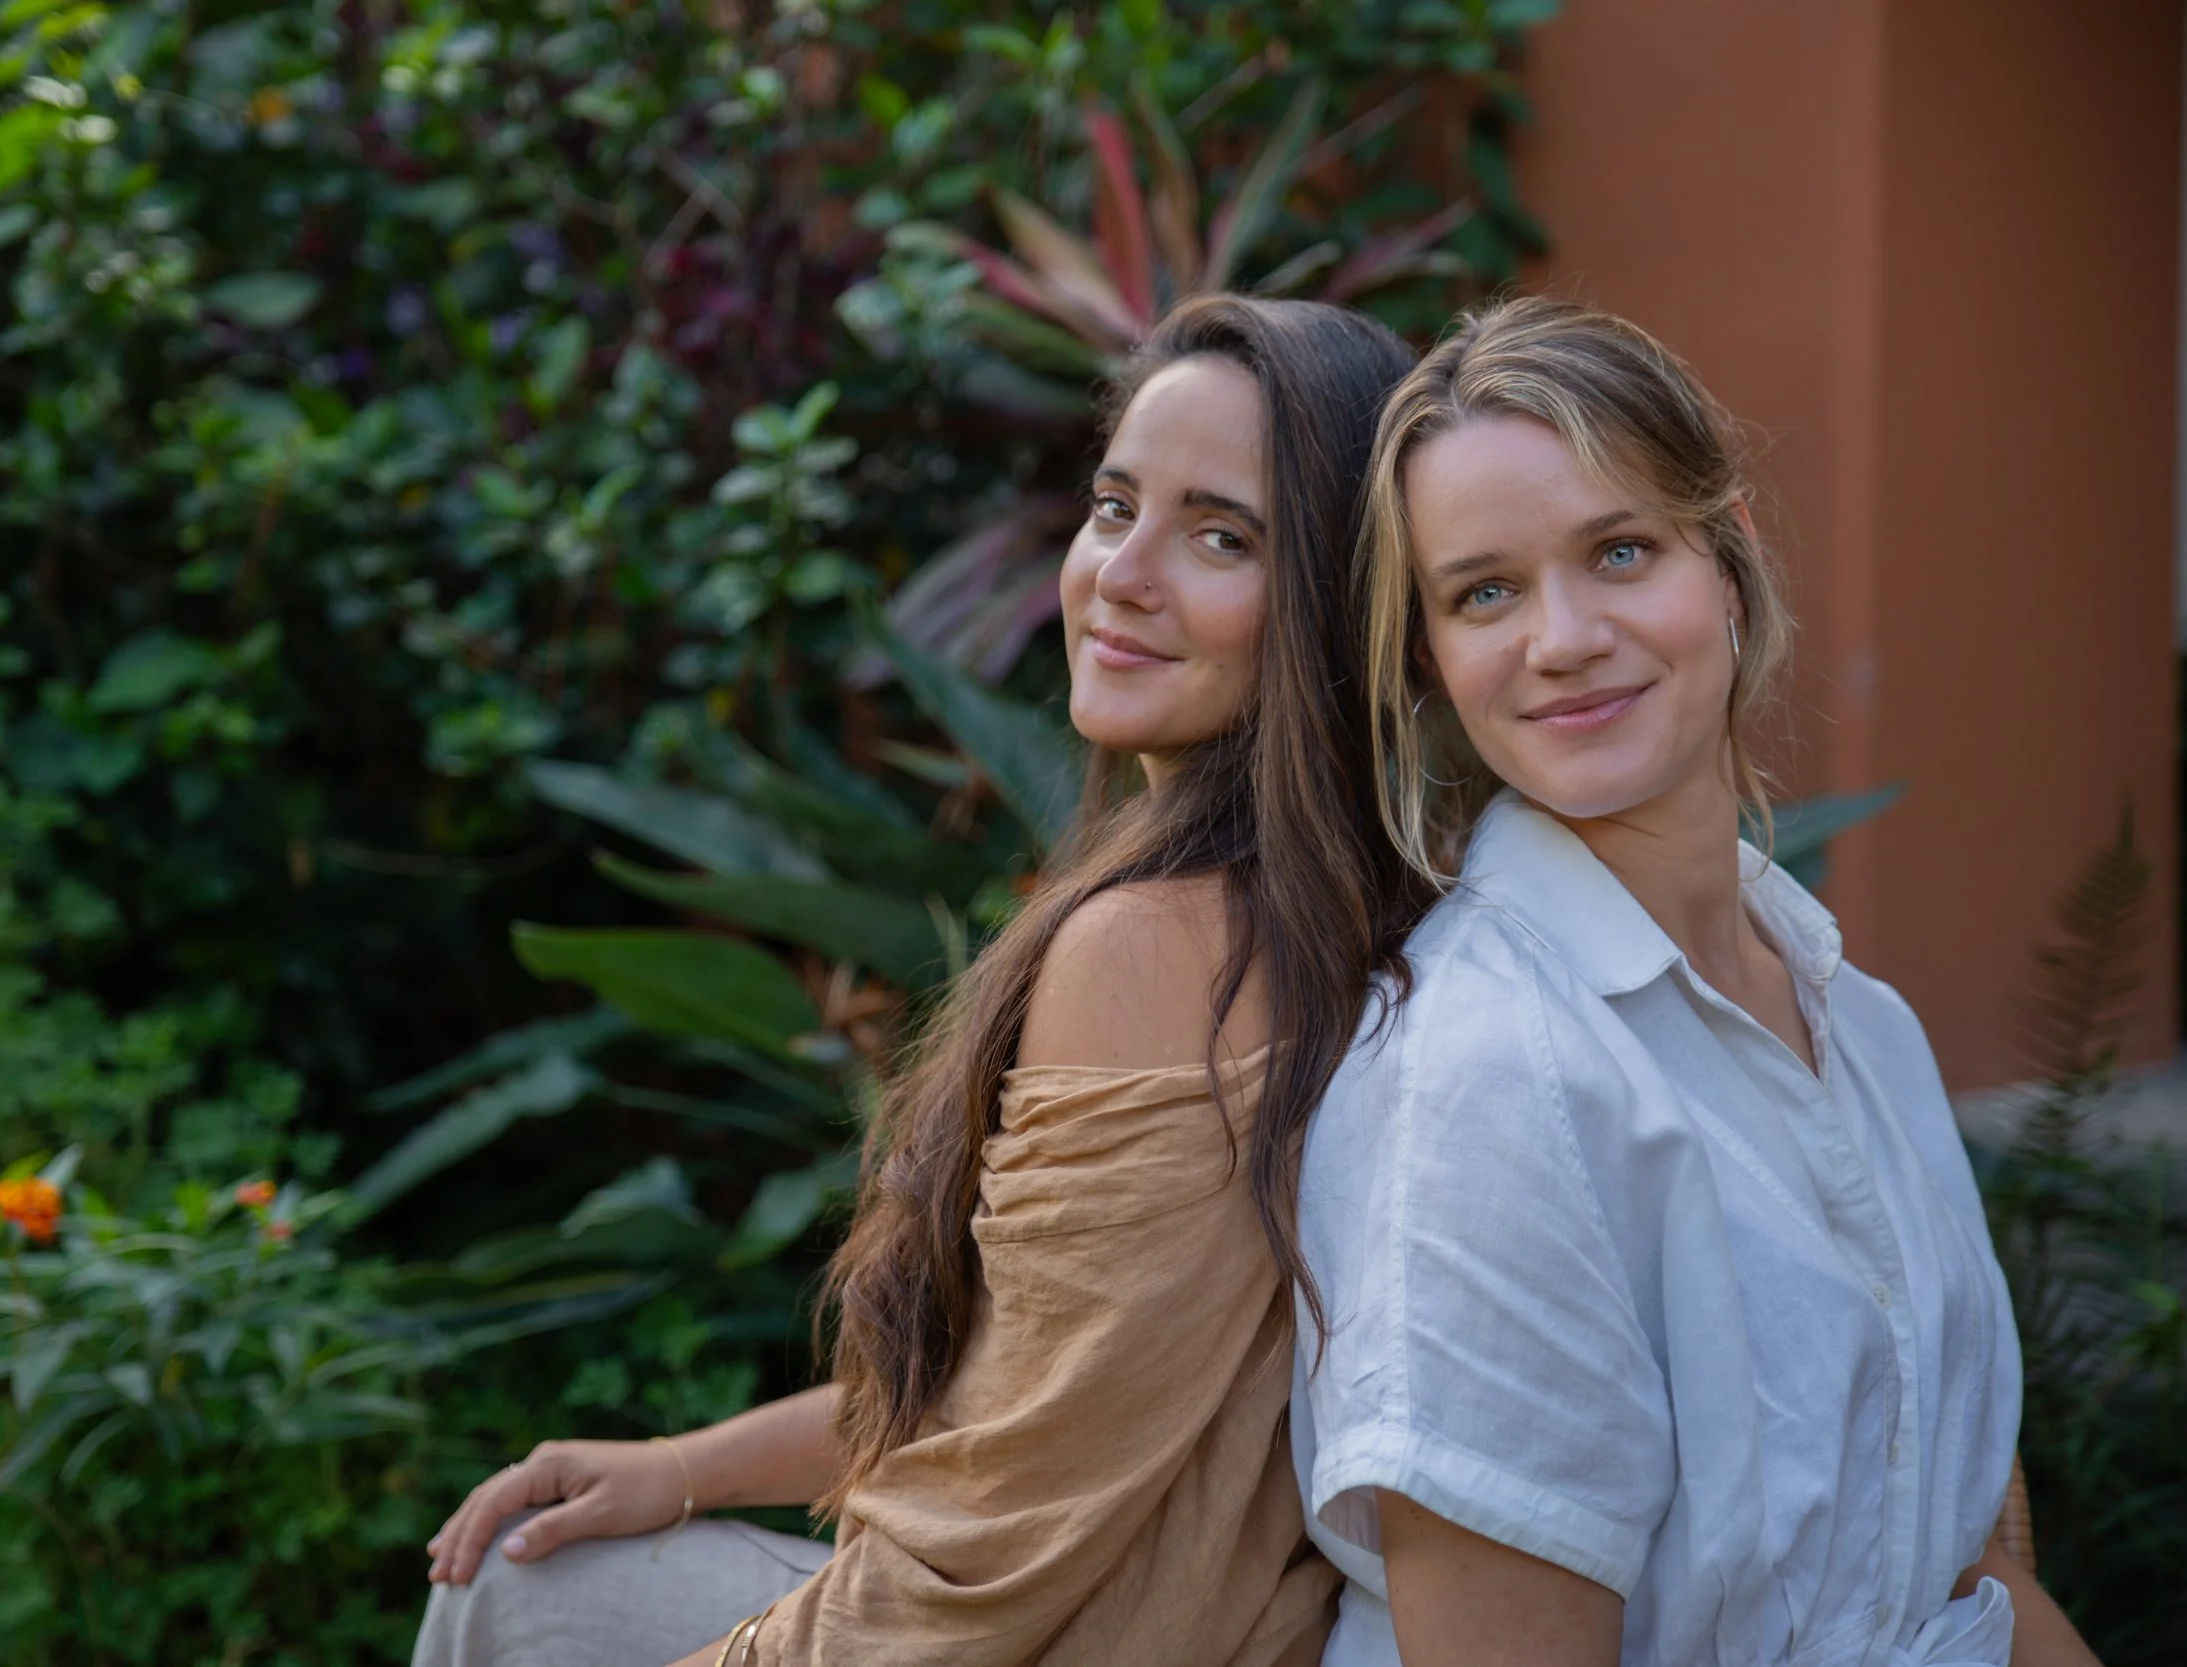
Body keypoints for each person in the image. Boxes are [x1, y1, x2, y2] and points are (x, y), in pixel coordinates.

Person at [412, 293, 1434, 1667]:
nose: (1123, 573)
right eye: (1114, 504)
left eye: (1220, 536)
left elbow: (986, 1556)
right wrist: (685, 1463)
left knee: (512, 1594)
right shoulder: (1339, 897)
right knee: (549, 1564)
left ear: (1336, 599)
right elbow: (1025, 1405)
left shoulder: (1157, 949)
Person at [1291, 294, 2100, 1667]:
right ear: (1430, 656)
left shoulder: (1868, 1024)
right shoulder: (1488, 1073)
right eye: (1484, 590)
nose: (1562, 637)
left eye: (1619, 551)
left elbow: (1959, 1558)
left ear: (1724, 563)